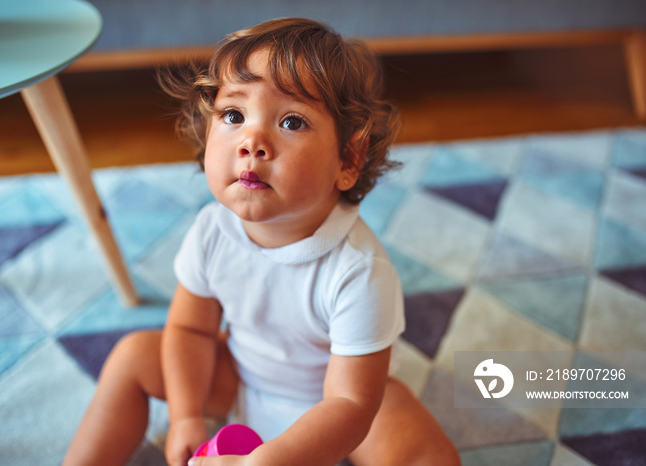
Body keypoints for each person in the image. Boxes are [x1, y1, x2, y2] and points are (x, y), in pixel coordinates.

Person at [63, 17, 460, 466]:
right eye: (234, 115)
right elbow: (190, 330)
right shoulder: (212, 231)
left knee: (426, 450)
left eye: (292, 121)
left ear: (348, 158)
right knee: (132, 355)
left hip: (333, 406)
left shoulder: (359, 271)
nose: (252, 140)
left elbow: (351, 404)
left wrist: (266, 461)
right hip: (240, 377)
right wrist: (186, 415)